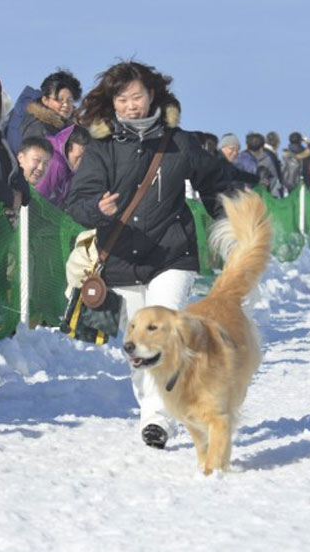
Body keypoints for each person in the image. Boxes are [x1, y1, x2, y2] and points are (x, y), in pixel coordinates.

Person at [66, 60, 231, 450]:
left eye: (136, 97)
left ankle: (163, 416)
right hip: (121, 259)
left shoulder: (178, 142)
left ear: (152, 95)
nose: (130, 106)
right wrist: (97, 209)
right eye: (121, 99)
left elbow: (215, 181)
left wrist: (230, 223)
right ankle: (153, 414)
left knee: (164, 329)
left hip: (171, 254)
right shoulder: (102, 147)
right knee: (139, 344)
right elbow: (76, 200)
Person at [6, 69, 81, 153]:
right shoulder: (38, 127)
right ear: (45, 100)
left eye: (70, 100)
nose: (66, 105)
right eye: (59, 99)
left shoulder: (63, 126)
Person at [36, 125, 89, 207]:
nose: (81, 162)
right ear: (67, 148)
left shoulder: (69, 168)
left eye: (84, 157)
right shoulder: (55, 163)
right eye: (78, 157)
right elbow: (37, 197)